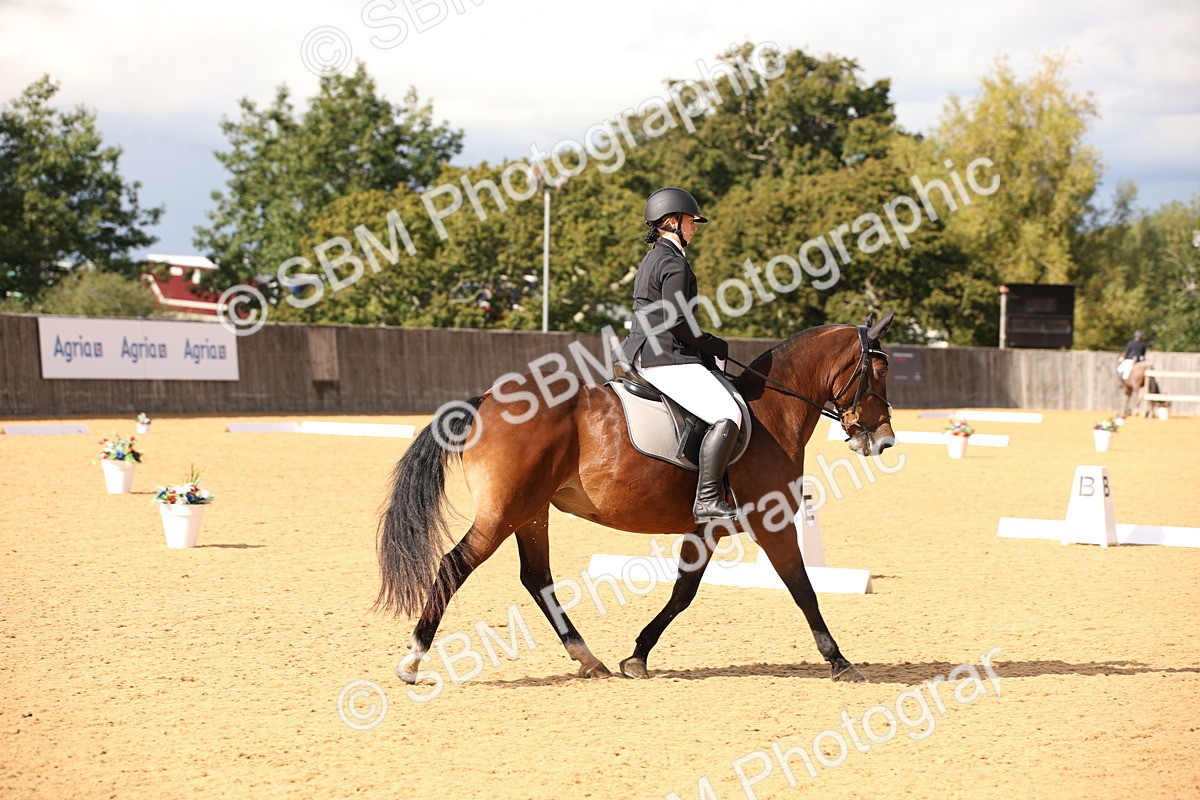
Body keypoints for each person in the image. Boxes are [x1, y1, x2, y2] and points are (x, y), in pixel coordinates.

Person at [620, 187, 741, 524]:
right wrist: (712, 344)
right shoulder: (674, 263)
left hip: (640, 351)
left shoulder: (652, 259)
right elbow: (676, 321)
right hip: (665, 357)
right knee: (728, 414)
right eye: (691, 221)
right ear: (672, 221)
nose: (694, 227)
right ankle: (708, 499)